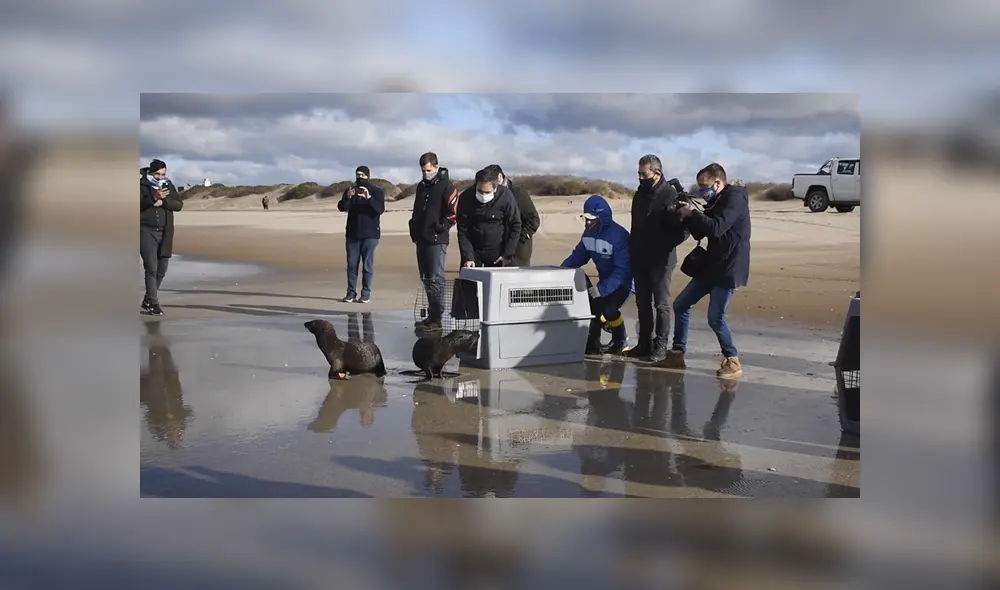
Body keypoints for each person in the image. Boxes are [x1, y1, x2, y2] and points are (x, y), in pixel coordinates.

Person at [659, 162, 751, 379]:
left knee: (715, 317)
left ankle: (732, 360)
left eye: (704, 186)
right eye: (699, 187)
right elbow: (702, 233)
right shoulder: (717, 199)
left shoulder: (734, 199)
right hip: (711, 265)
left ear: (718, 182)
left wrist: (693, 213)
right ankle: (677, 353)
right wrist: (686, 214)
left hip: (729, 268)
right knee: (681, 304)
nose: (702, 191)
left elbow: (717, 227)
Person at [627, 154, 689, 362]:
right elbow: (635, 226)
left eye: (644, 174)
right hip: (639, 258)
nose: (641, 178)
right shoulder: (639, 195)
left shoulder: (670, 195)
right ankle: (644, 343)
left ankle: (661, 345)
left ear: (657, 173)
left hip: (662, 260)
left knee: (661, 304)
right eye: (639, 174)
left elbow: (684, 230)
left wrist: (664, 245)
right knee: (642, 302)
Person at [560, 195, 633, 355]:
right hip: (606, 280)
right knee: (592, 309)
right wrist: (560, 271)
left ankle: (621, 340)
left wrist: (601, 289)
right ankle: (592, 344)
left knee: (609, 309)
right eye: (585, 219)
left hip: (624, 283)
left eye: (591, 220)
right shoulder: (588, 235)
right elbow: (578, 257)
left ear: (602, 218)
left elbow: (622, 271)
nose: (587, 223)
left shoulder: (619, 236)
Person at [409, 152, 458, 331]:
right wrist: (413, 228)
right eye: (423, 170)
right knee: (426, 278)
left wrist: (439, 227)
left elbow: (453, 213)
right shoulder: (422, 186)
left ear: (436, 167)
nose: (425, 173)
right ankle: (432, 315)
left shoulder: (447, 186)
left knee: (435, 278)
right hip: (421, 238)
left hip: (437, 240)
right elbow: (417, 210)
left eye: (428, 170)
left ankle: (437, 318)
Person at [139, 159, 184, 316]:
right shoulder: (141, 184)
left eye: (162, 174)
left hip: (165, 232)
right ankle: (153, 303)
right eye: (157, 174)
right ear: (150, 172)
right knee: (151, 268)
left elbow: (178, 205)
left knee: (161, 270)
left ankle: (147, 299)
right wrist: (152, 198)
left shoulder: (168, 185)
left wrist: (163, 201)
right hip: (145, 230)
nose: (160, 177)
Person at [339, 165, 386, 303]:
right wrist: (348, 197)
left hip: (370, 234)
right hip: (352, 233)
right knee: (352, 265)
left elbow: (380, 209)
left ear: (368, 176)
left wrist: (368, 197)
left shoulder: (377, 191)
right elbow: (342, 207)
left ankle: (366, 293)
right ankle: (351, 292)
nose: (360, 178)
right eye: (357, 175)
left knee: (367, 265)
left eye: (362, 175)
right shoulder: (351, 190)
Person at [457, 168, 522, 268]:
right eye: (480, 191)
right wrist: (468, 257)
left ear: (495, 188)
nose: (483, 195)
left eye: (487, 192)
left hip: (498, 254)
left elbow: (515, 224)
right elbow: (463, 230)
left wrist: (507, 255)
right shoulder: (466, 198)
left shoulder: (506, 196)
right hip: (474, 254)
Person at [482, 164, 540, 266]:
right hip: (494, 254)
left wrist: (517, 238)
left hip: (517, 254)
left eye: (492, 181)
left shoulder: (518, 193)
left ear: (500, 177)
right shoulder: (487, 195)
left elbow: (533, 220)